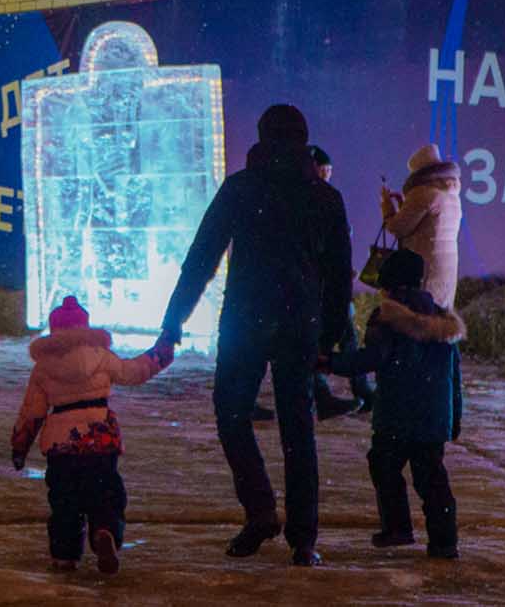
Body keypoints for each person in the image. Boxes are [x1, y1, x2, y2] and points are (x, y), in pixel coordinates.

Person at [156, 103, 354, 566]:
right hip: (299, 323)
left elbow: (202, 257)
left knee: (231, 415)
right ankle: (303, 539)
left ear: (262, 137)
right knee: (298, 429)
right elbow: (339, 277)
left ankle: (261, 510)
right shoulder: (325, 197)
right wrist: (329, 339)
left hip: (245, 318)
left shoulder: (241, 188)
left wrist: (173, 320)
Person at [12, 296, 174, 577]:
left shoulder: (43, 368)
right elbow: (134, 372)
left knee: (64, 500)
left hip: (62, 443)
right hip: (100, 437)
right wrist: (159, 354)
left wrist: (20, 446)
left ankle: (64, 555)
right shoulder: (102, 357)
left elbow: (32, 412)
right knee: (105, 492)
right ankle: (104, 531)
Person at [325, 247, 464, 559]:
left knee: (384, 465)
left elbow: (372, 358)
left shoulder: (387, 318)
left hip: (396, 416)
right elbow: (454, 377)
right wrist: (454, 418)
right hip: (432, 419)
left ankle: (398, 526)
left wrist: (331, 362)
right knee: (432, 479)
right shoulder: (443, 321)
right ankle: (445, 541)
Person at [309, 147, 373, 420]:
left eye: (329, 171)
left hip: (329, 283)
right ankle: (328, 392)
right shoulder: (320, 200)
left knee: (345, 336)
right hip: (322, 285)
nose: (326, 175)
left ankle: (357, 389)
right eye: (323, 170)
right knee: (325, 339)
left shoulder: (327, 198)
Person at [381, 144, 463, 309]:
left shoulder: (422, 192)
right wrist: (404, 205)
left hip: (423, 269)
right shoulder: (451, 193)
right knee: (439, 315)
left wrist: (387, 207)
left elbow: (398, 228)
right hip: (445, 269)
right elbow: (427, 223)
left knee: (421, 314)